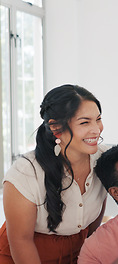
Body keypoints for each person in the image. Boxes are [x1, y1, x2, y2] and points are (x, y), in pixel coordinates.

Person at [0, 85, 108, 263]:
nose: (97, 129)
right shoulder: (25, 172)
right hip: (20, 255)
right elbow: (21, 241)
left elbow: (94, 228)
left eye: (98, 119)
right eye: (84, 122)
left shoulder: (104, 160)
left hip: (77, 253)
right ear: (56, 128)